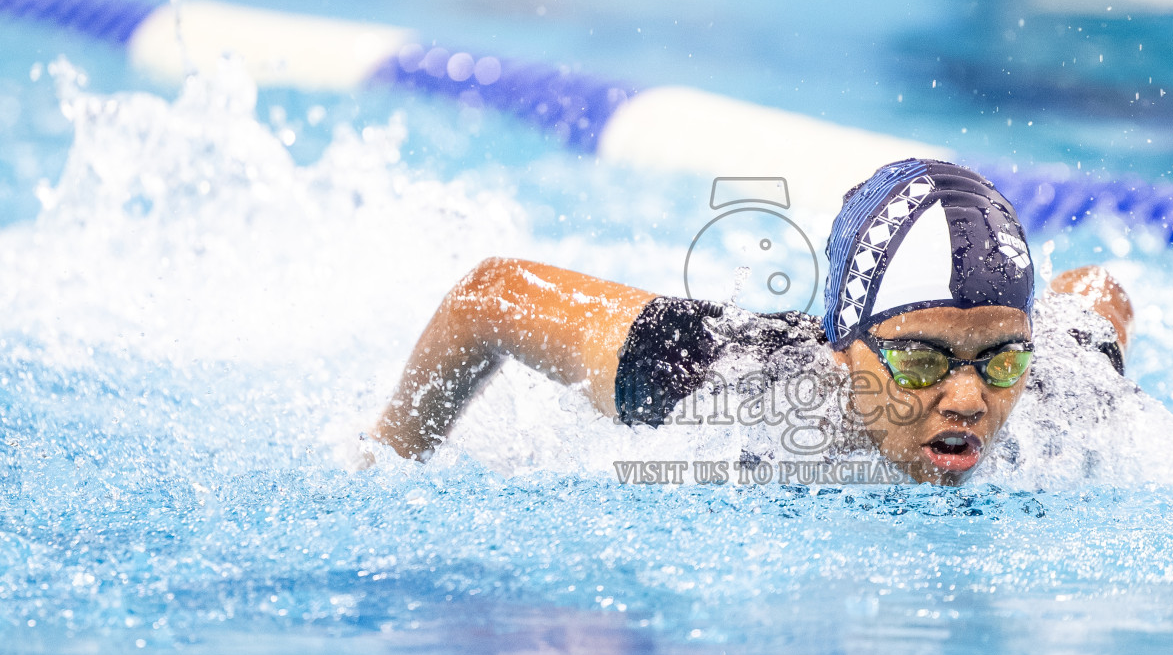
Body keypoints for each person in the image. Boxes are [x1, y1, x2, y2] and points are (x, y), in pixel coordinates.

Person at [371, 159, 1134, 485]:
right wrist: (385, 462)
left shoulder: (1059, 395)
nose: (969, 399)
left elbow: (1100, 293)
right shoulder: (729, 382)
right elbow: (491, 295)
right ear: (845, 349)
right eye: (924, 361)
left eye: (1000, 359)